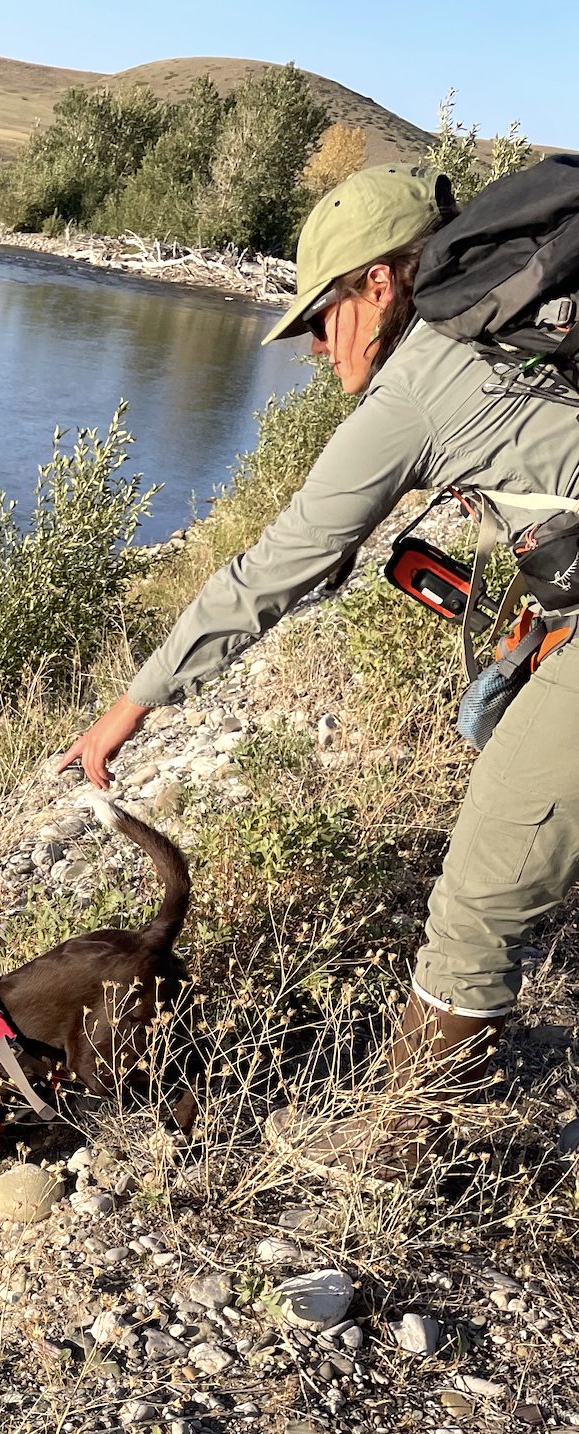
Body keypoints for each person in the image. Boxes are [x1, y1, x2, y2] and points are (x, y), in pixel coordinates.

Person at [56, 163, 579, 1177]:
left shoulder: (422, 385)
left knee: (479, 892)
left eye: (317, 312)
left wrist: (131, 706)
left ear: (379, 284)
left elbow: (278, 567)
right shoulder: (513, 339)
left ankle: (394, 1145)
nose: (304, 342)